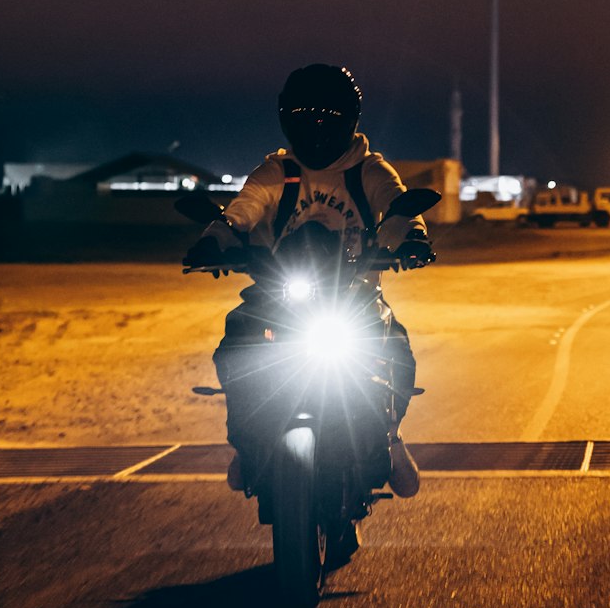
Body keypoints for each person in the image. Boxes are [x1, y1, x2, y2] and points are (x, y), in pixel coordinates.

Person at [183, 63, 434, 498]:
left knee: (396, 347)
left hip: (353, 294)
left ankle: (390, 435)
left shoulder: (369, 170)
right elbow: (242, 209)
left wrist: (412, 239)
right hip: (277, 294)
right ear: (288, 119)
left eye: (327, 117)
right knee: (235, 342)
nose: (316, 127)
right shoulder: (277, 172)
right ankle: (246, 441)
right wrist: (215, 240)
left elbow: (397, 208)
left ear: (349, 120)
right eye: (305, 117)